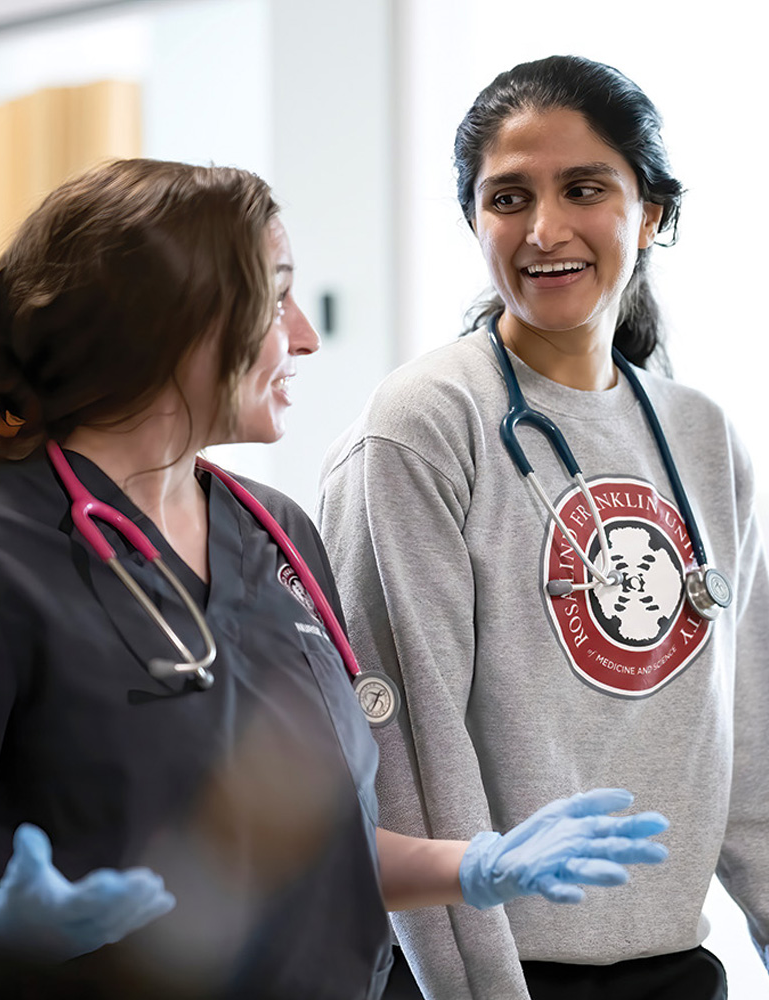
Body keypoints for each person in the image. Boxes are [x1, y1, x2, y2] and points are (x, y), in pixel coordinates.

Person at [0, 157, 669, 1000]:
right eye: (275, 299)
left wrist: (476, 864)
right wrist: (1, 930)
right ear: (168, 321)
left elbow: (320, 849)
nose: (303, 335)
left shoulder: (277, 534)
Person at [317, 54, 769, 1000]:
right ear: (475, 221)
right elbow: (406, 760)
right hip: (486, 977)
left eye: (584, 189)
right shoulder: (424, 425)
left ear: (650, 215)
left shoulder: (701, 437)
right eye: (509, 198)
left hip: (675, 970)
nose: (545, 229)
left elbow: (749, 747)